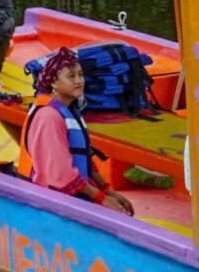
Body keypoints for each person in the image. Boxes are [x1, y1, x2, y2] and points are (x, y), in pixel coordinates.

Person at [23, 47, 133, 216]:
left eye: (80, 75)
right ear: (53, 82)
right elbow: (62, 175)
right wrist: (102, 199)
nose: (79, 81)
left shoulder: (70, 110)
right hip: (55, 204)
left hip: (76, 195)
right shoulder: (49, 116)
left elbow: (84, 157)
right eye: (71, 76)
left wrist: (108, 190)